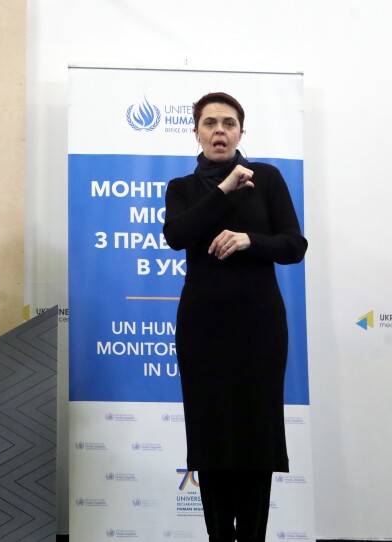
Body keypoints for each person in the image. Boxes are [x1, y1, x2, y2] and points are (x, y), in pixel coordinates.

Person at [162, 92, 307, 542]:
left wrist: (249, 240)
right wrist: (224, 189)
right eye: (209, 123)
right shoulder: (183, 188)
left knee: (256, 440)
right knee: (211, 439)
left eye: (228, 123)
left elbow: (293, 246)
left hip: (259, 327)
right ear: (197, 132)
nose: (219, 131)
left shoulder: (267, 178)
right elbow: (177, 235)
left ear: (242, 131)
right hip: (202, 328)